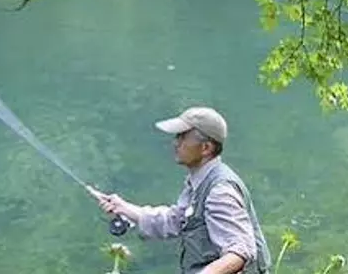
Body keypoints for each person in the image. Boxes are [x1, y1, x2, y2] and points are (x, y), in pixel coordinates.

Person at [87, 106, 272, 274]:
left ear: (206, 148)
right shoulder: (199, 181)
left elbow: (240, 251)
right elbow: (177, 220)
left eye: (182, 137)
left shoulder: (220, 191)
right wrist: (124, 208)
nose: (175, 143)